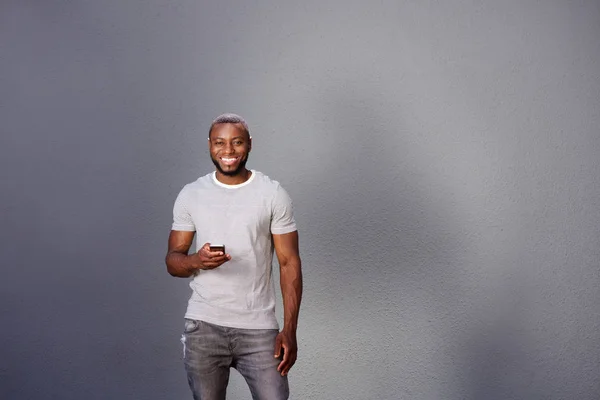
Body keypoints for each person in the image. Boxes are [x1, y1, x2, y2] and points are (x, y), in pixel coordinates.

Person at [165, 113, 303, 400]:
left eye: (236, 142)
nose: (228, 151)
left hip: (259, 328)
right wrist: (197, 261)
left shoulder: (272, 194)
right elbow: (173, 261)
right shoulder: (191, 195)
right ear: (209, 145)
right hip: (204, 326)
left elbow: (289, 263)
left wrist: (289, 330)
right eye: (220, 143)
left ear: (249, 145)